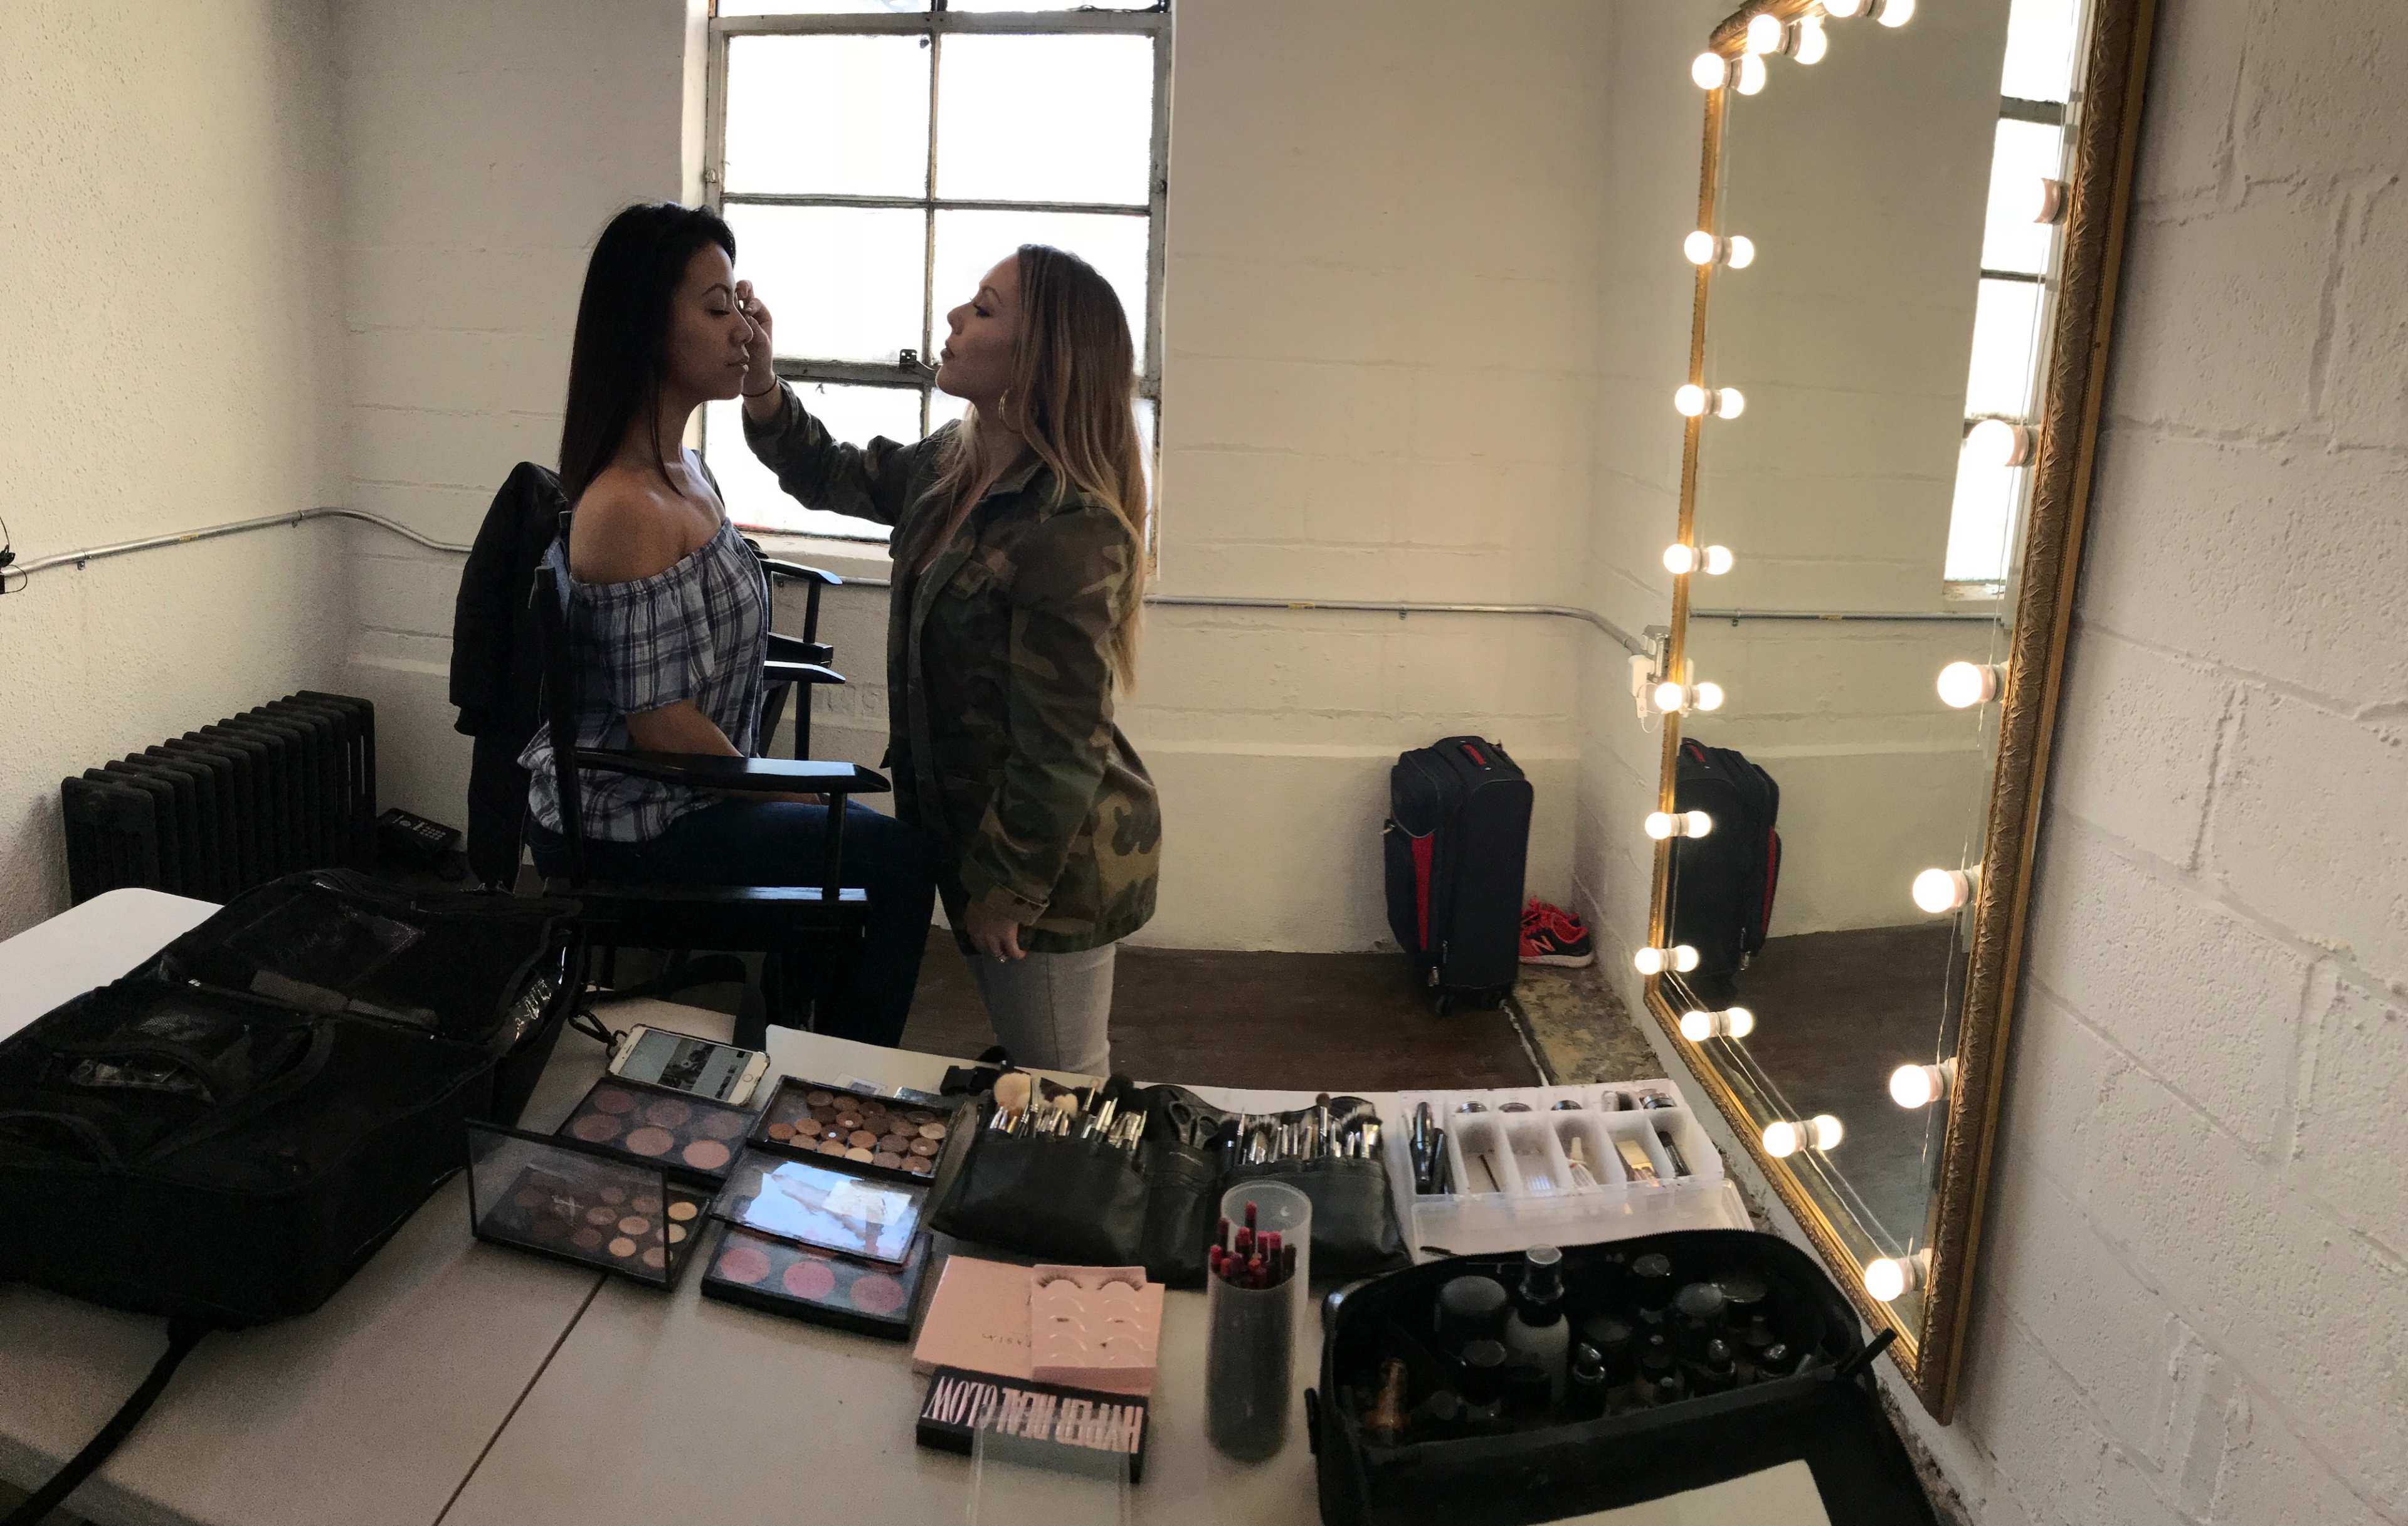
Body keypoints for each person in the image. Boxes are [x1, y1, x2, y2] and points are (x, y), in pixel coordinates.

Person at [519, 201, 937, 1046]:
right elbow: (660, 724)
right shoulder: (625, 505)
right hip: (635, 817)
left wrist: (783, 788)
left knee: (869, 844)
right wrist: (787, 786)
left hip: (688, 789)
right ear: (647, 325)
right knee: (899, 864)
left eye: (740, 305)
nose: (741, 327)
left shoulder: (688, 470)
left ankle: (800, 1036)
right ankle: (833, 1082)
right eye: (716, 309)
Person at [736, 244, 1161, 1075]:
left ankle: (1063, 1200)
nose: (955, 320)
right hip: (968, 838)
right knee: (1034, 1065)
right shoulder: (950, 463)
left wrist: (1011, 885)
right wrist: (761, 382)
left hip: (1052, 868)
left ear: (1040, 361)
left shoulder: (1073, 524)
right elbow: (827, 472)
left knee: (1062, 1080)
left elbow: (1064, 741)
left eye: (986, 308)